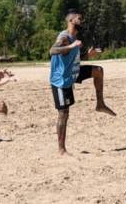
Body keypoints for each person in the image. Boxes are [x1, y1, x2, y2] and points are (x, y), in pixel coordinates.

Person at [49, 11, 116, 156]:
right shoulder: (65, 37)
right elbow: (53, 50)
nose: (82, 20)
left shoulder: (74, 37)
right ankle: (61, 149)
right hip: (61, 80)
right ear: (71, 20)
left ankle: (100, 104)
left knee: (98, 71)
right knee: (63, 114)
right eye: (80, 18)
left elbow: (73, 56)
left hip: (73, 72)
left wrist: (87, 55)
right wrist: (72, 46)